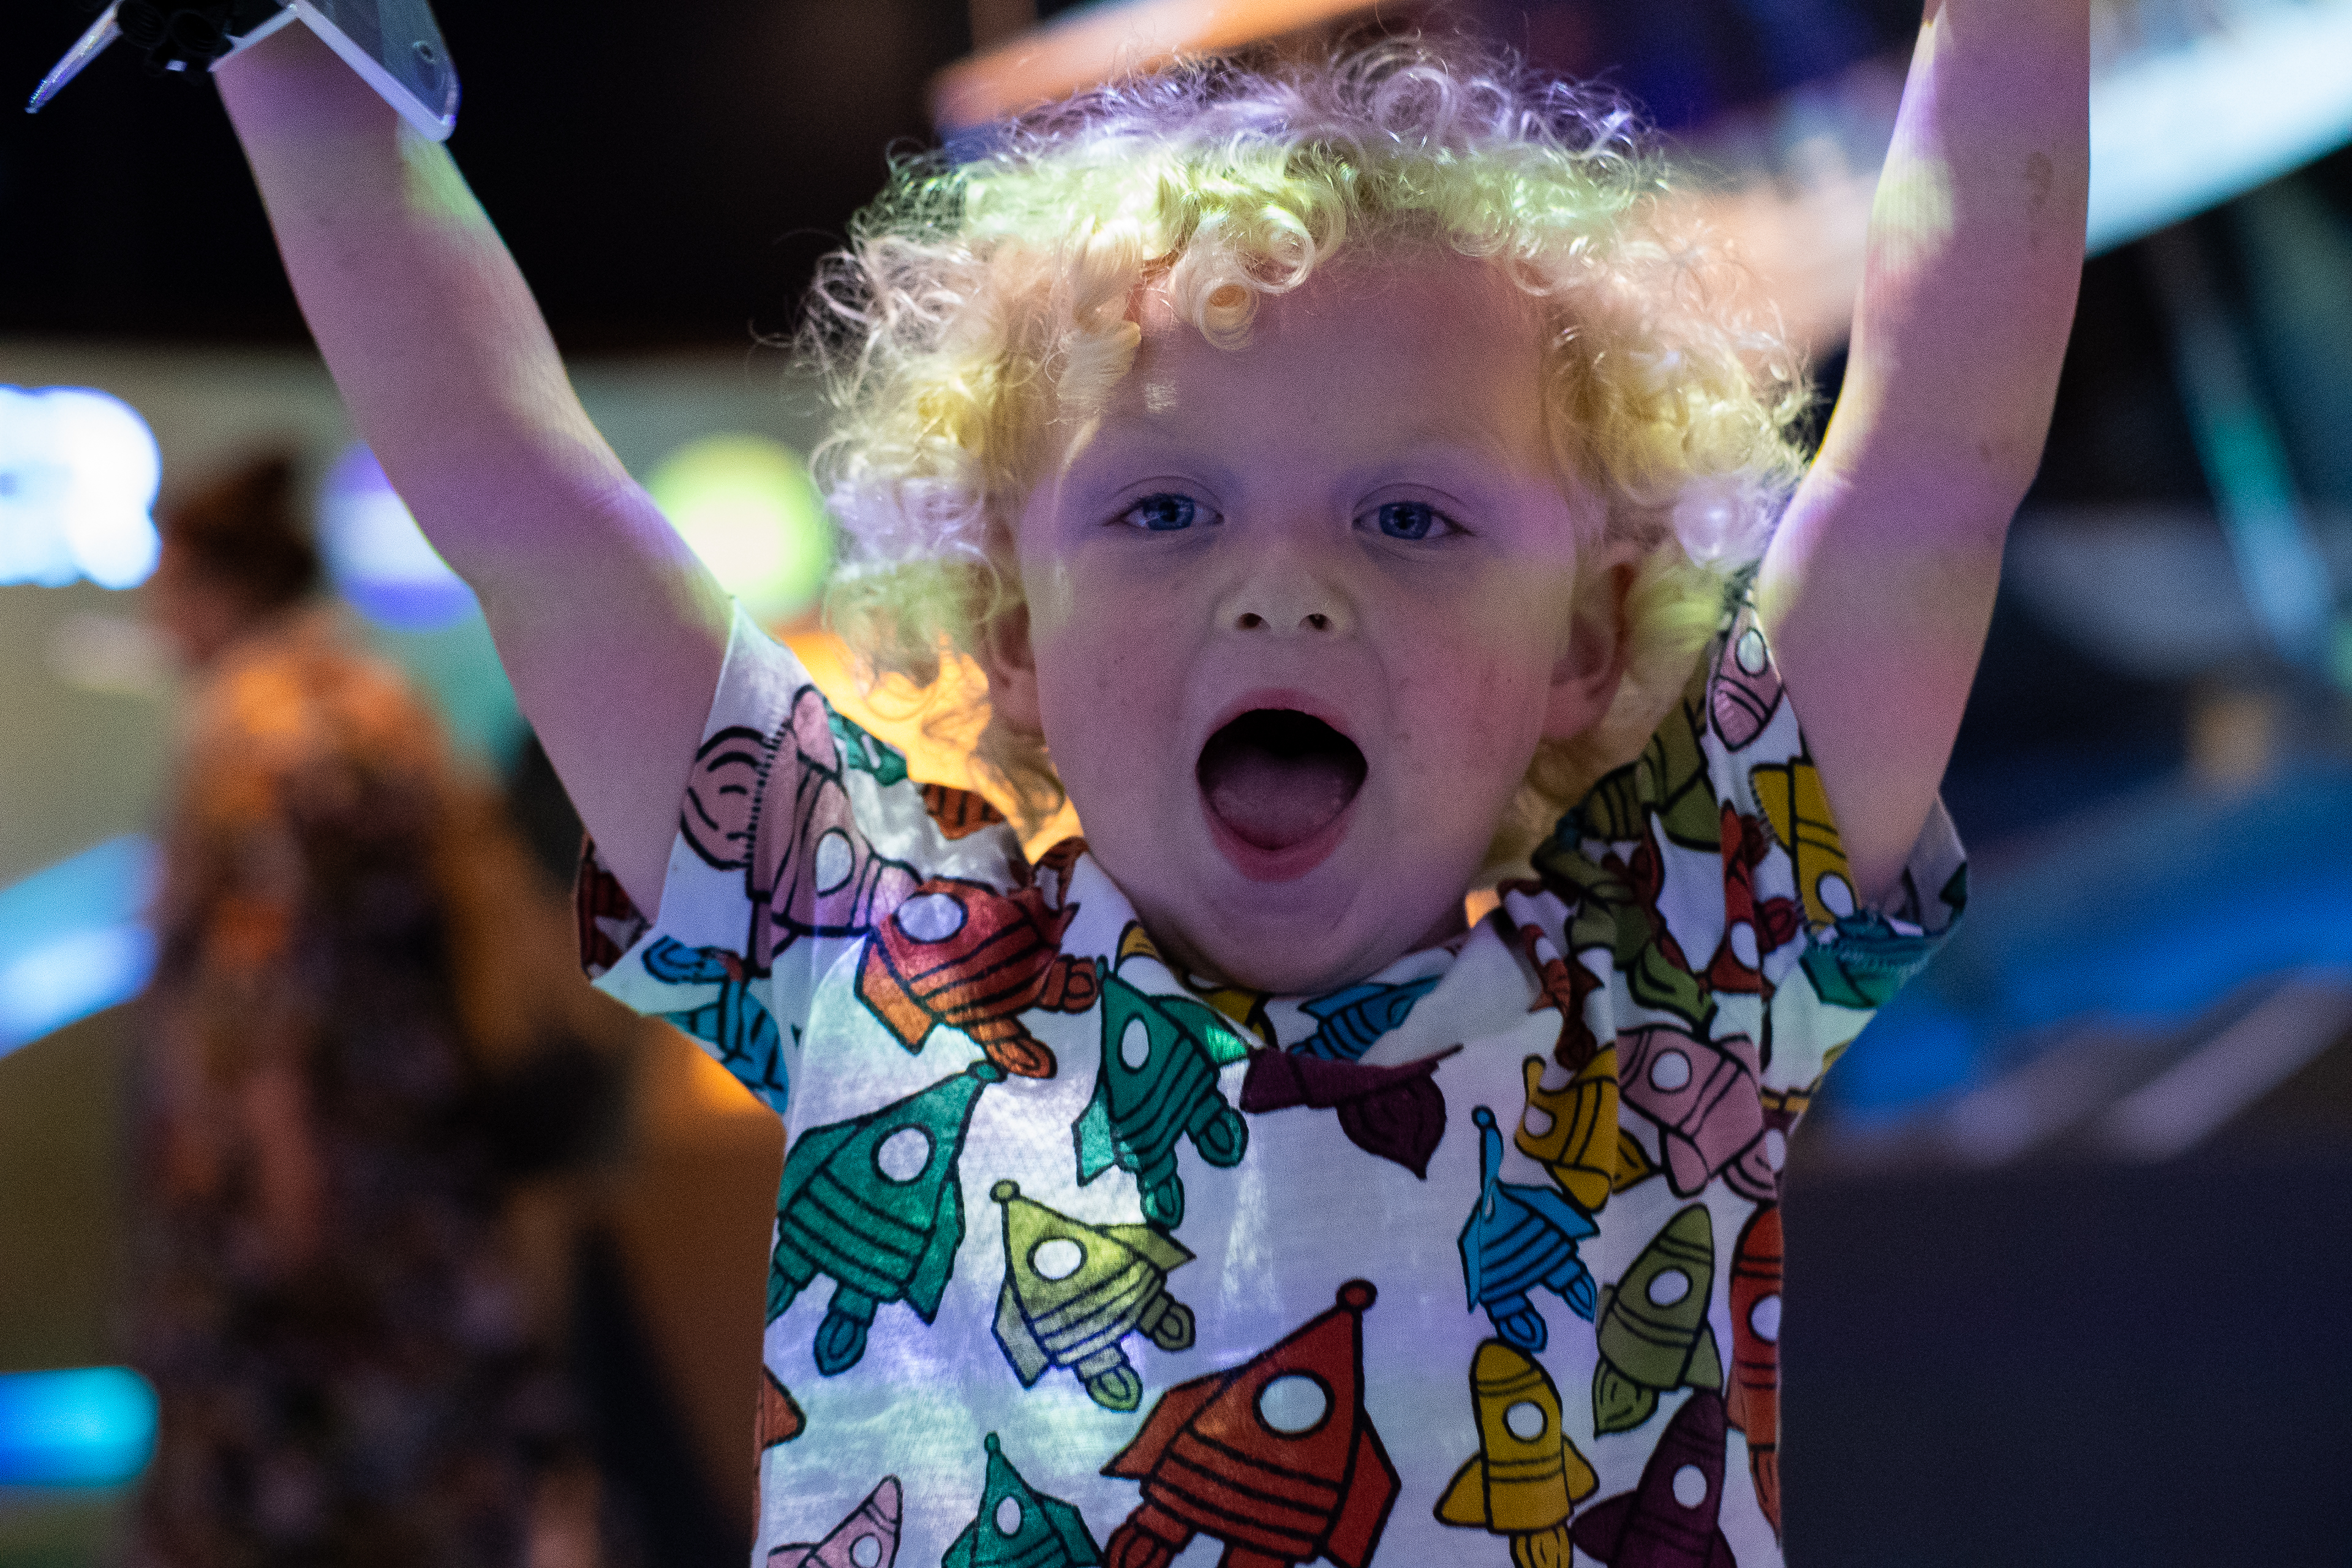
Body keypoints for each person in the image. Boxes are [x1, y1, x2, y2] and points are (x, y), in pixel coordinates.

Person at [208, 4, 2086, 1560]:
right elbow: (525, 499)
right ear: (1007, 625)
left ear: (1590, 637)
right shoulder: (874, 949)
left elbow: (1928, 469)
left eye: (1412, 517)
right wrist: (277, 44)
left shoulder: (1676, 983)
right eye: (1166, 508)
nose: (1284, 587)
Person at [134, 456, 626, 1567]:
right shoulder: (375, 700)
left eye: (169, 590)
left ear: (214, 586)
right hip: (422, 1161)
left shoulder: (258, 729)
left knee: (301, 1491)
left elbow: (271, 979)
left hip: (325, 1183)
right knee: (449, 1475)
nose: (160, 623)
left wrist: (282, 1181)